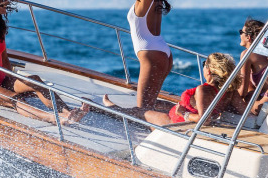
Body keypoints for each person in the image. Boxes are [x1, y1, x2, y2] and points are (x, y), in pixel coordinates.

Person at [105, 52, 245, 127]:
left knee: (140, 112)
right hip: (181, 114)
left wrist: (184, 114)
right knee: (160, 104)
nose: (203, 67)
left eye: (204, 64)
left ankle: (107, 109)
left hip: (176, 123)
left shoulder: (204, 90)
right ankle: (115, 108)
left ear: (209, 69)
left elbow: (204, 119)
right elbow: (243, 112)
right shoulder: (229, 91)